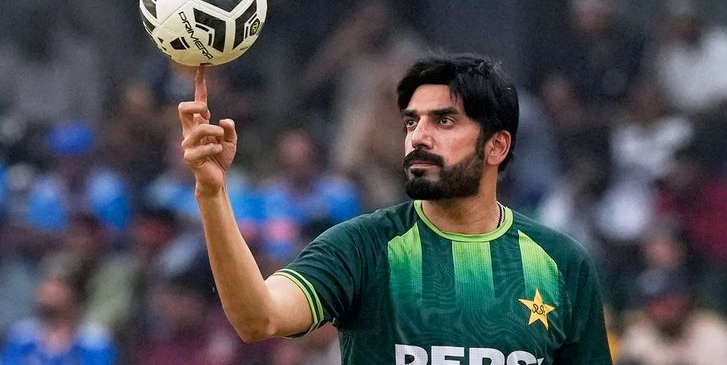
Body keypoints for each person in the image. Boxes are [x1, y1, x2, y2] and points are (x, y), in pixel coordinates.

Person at [178, 53, 612, 363]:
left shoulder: (563, 264)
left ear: (497, 145)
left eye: (443, 121)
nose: (418, 136)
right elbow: (259, 318)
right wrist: (212, 194)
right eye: (411, 121)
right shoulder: (363, 247)